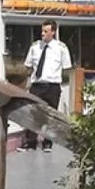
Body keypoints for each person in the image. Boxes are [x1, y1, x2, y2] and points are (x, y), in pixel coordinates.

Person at [23, 19, 72, 152]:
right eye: (42, 30)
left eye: (46, 31)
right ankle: (31, 142)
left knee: (51, 116)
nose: (42, 33)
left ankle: (47, 143)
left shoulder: (61, 48)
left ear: (53, 32)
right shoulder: (34, 47)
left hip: (52, 86)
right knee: (32, 113)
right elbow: (28, 66)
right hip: (37, 85)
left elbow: (66, 68)